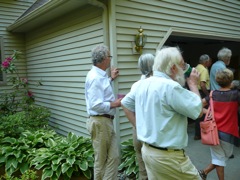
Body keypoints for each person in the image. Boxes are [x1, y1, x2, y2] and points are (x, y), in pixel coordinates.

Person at [121, 47, 203, 179]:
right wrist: (193, 84)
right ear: (173, 68)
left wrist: (139, 126)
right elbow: (198, 111)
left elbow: (125, 104)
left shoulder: (142, 84)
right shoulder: (171, 87)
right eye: (182, 65)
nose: (185, 68)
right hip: (169, 158)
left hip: (148, 151)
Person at [85, 44, 122, 180]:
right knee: (100, 161)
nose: (110, 59)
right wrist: (115, 104)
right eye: (110, 57)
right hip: (100, 122)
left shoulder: (99, 76)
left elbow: (101, 89)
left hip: (106, 122)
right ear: (104, 59)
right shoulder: (95, 77)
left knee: (114, 157)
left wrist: (111, 79)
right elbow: (96, 104)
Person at [199, 68, 240, 180]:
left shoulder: (212, 95)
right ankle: (205, 173)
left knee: (220, 158)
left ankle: (203, 172)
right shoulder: (236, 95)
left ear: (217, 81)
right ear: (231, 80)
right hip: (229, 132)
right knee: (221, 157)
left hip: (213, 131)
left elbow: (197, 106)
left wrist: (208, 112)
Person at [132, 53, 155, 180]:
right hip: (150, 132)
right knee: (154, 169)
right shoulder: (157, 85)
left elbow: (127, 105)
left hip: (137, 130)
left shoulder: (136, 85)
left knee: (142, 167)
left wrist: (136, 125)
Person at [194, 54, 212, 140]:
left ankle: (197, 134)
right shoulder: (204, 70)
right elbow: (202, 85)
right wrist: (208, 95)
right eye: (209, 61)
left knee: (198, 113)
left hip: (195, 92)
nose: (210, 63)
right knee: (205, 113)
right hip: (202, 92)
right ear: (206, 62)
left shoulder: (196, 68)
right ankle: (204, 134)